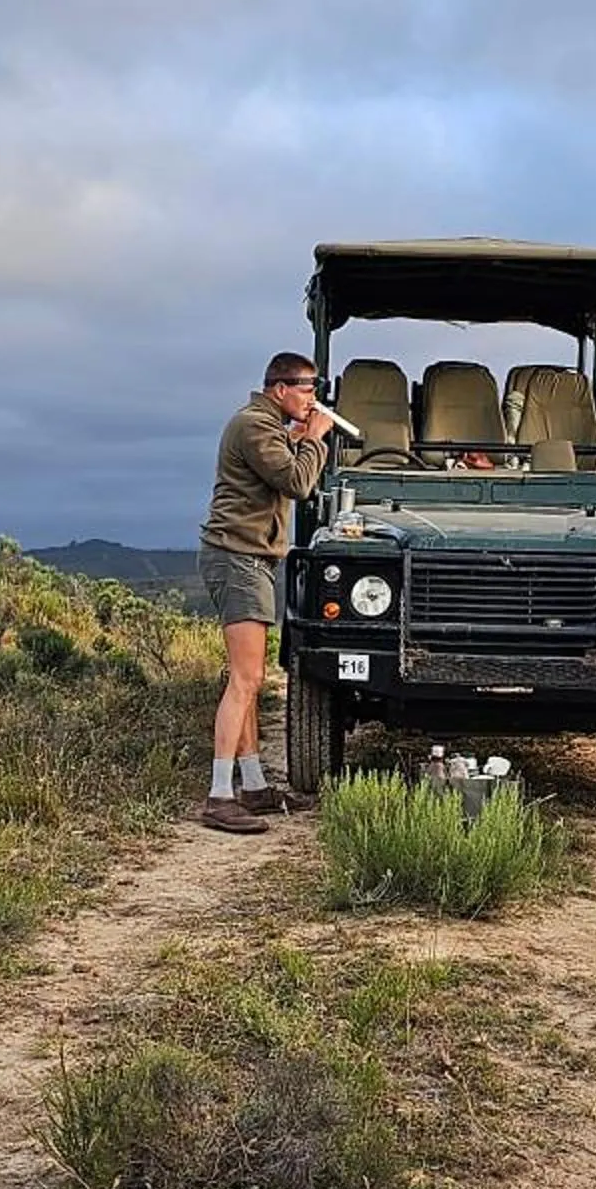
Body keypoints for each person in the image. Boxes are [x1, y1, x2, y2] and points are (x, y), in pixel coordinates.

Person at [196, 351, 335, 833]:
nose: (314, 398)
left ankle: (252, 785)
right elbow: (296, 482)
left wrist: (297, 437)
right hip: (238, 559)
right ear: (280, 388)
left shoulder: (265, 425)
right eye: (307, 388)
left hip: (248, 559)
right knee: (245, 679)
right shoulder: (255, 425)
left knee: (249, 680)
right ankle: (218, 795)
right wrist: (314, 441)